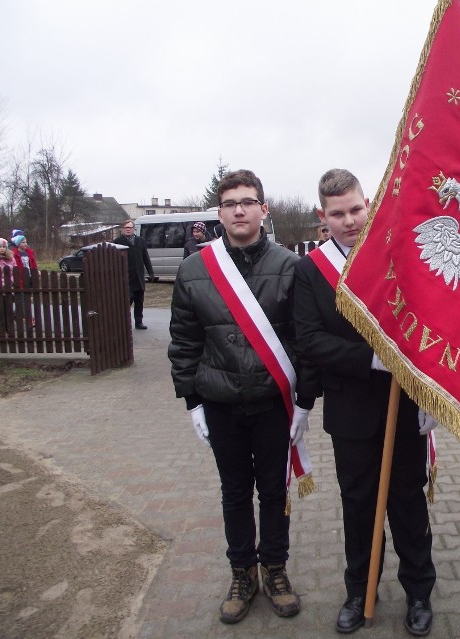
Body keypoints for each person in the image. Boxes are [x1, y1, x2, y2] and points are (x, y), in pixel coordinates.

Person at [292, 169, 437, 636]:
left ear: (369, 204)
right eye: (338, 214)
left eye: (356, 209)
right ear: (323, 216)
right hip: (350, 410)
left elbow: (429, 325)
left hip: (406, 404)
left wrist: (431, 392)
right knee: (357, 504)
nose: (350, 220)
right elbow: (310, 341)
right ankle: (360, 590)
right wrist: (371, 359)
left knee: (408, 501)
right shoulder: (309, 271)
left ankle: (418, 592)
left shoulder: (399, 255)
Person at [168, 169, 316, 625]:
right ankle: (242, 573)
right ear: (219, 212)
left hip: (273, 403)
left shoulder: (289, 267)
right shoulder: (195, 269)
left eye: (248, 201)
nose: (239, 209)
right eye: (230, 202)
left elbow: (302, 340)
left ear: (263, 209)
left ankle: (275, 570)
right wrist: (191, 400)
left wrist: (305, 401)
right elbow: (184, 340)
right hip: (222, 403)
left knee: (273, 491)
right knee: (234, 493)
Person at [113, 220, 154, 330]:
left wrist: (151, 272)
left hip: (138, 277)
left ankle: (139, 322)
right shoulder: (118, 241)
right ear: (123, 229)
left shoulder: (140, 241)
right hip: (126, 278)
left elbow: (146, 257)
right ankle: (123, 322)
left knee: (139, 301)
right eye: (126, 227)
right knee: (127, 301)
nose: (128, 229)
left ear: (134, 229)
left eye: (130, 227)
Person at [11, 234, 38, 326]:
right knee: (23, 300)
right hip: (20, 278)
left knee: (26, 298)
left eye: (26, 242)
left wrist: (35, 271)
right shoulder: (14, 254)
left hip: (29, 277)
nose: (25, 244)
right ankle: (30, 319)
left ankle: (15, 314)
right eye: (23, 242)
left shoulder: (29, 252)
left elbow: (33, 263)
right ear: (18, 244)